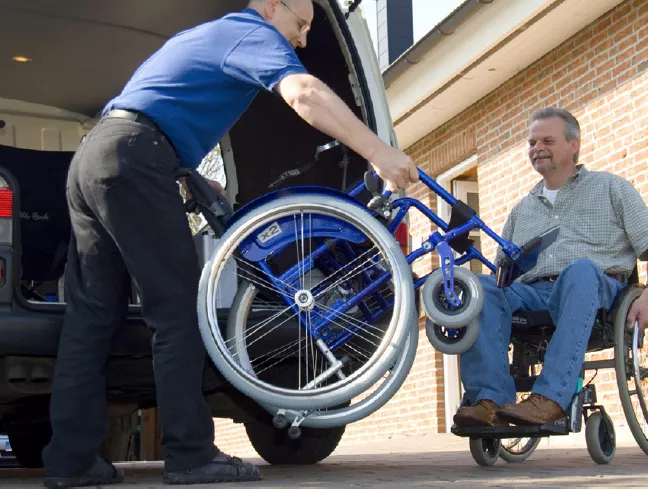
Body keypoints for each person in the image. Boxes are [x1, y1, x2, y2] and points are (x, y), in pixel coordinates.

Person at [42, 0, 419, 487]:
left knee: (91, 316)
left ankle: (69, 461)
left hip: (96, 157)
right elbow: (303, 92)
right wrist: (379, 151)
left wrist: (187, 171)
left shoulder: (208, 38)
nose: (303, 38)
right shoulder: (249, 33)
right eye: (300, 23)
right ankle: (189, 454)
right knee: (178, 310)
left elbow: (155, 108)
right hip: (135, 159)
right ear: (269, 5)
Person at [453, 108, 648, 428]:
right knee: (481, 288)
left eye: (547, 140)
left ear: (574, 145)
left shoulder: (611, 188)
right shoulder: (521, 210)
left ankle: (552, 398)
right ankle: (489, 400)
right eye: (531, 142)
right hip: (531, 293)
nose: (536, 148)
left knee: (580, 270)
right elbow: (502, 274)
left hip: (595, 288)